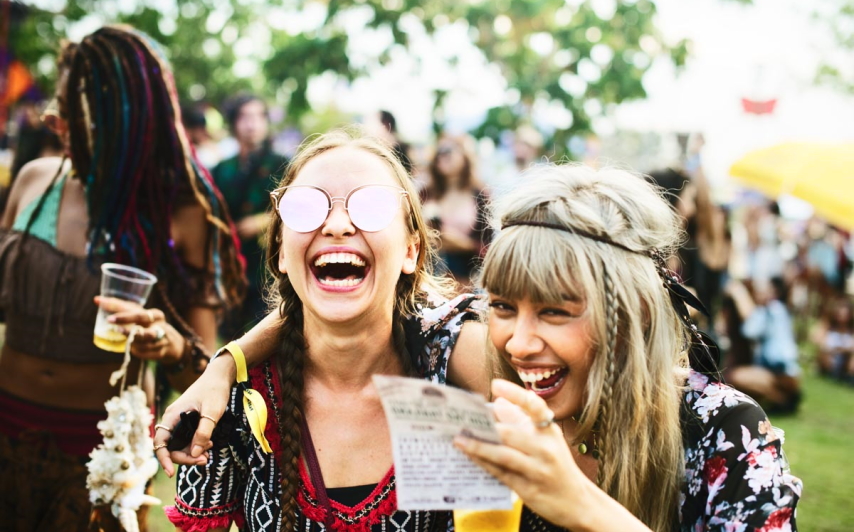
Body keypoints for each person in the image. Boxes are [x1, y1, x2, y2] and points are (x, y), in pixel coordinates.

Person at [164, 128, 488, 531]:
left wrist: (226, 361)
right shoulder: (234, 404)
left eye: (372, 205)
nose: (337, 225)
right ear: (282, 250)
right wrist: (225, 367)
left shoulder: (454, 363)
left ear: (411, 250)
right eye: (304, 206)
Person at [452, 165, 801, 531]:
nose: (519, 344)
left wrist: (578, 502)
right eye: (503, 307)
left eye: (554, 312)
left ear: (637, 312)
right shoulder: (486, 400)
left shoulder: (726, 431)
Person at [0, 25, 245, 531]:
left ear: (123, 116)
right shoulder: (34, 179)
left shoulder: (178, 212)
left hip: (101, 460)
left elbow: (206, 373)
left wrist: (170, 343)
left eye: (71, 107)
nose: (51, 117)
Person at [212, 93, 287, 340]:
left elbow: (300, 201)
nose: (251, 124)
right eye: (244, 117)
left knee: (266, 332)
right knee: (230, 336)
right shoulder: (222, 169)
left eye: (258, 116)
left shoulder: (282, 164)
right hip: (231, 263)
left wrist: (264, 221)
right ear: (233, 123)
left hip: (269, 264)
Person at [725, 278, 802, 413]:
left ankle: (781, 400)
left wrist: (739, 294)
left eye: (763, 289)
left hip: (780, 372)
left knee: (734, 377)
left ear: (774, 292)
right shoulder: (780, 310)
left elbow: (749, 330)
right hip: (786, 371)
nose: (758, 292)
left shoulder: (770, 310)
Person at [422, 134, 490, 287]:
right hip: (430, 279)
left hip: (466, 280)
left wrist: (461, 244)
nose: (442, 156)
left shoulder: (480, 196)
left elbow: (487, 244)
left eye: (447, 150)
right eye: (438, 152)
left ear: (464, 154)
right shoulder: (425, 194)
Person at [814, 296, 854, 381]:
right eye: (840, 314)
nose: (842, 317)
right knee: (824, 352)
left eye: (845, 314)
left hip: (844, 359)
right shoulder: (827, 326)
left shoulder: (851, 330)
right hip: (829, 357)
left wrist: (842, 350)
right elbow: (816, 339)